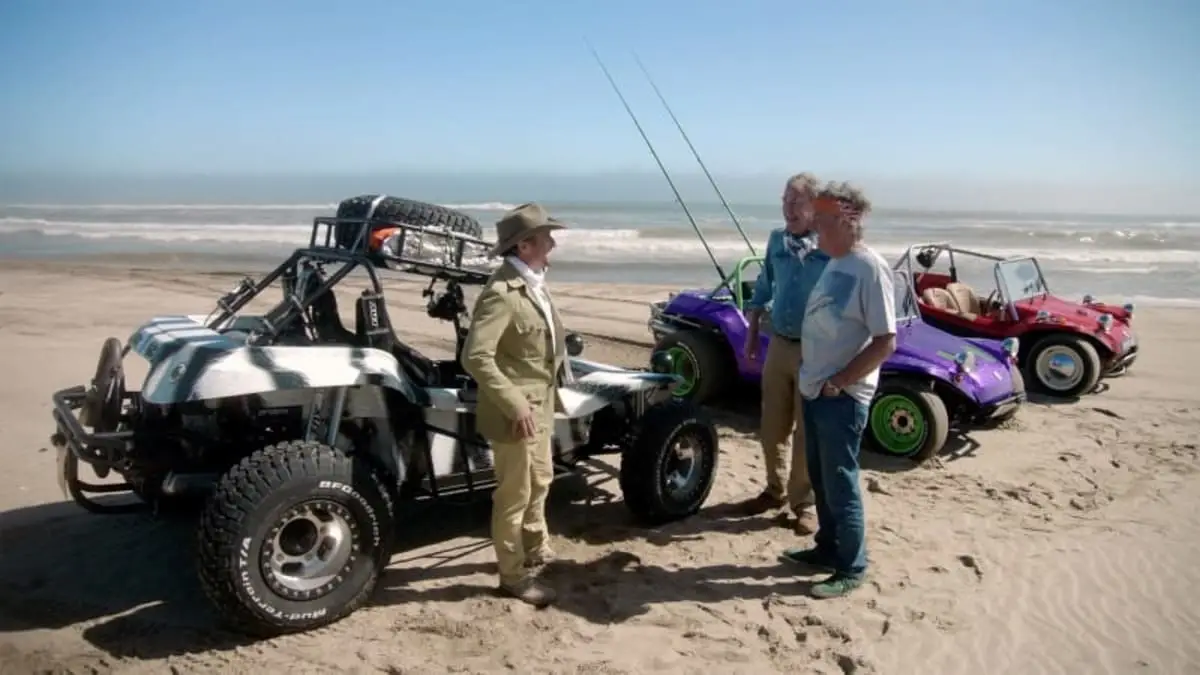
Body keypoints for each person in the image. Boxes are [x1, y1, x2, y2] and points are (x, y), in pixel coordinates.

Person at [781, 182, 897, 599]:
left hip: (841, 397)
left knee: (841, 480)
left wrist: (840, 382)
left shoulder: (870, 268)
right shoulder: (834, 260)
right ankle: (827, 547)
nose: (814, 228)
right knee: (821, 477)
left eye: (822, 220)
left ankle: (851, 565)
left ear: (849, 221)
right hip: (816, 388)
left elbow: (886, 340)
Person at [461, 202, 570, 607]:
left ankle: (536, 547)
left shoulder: (533, 282)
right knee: (514, 494)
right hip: (516, 412)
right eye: (546, 237)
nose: (553, 243)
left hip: (539, 405)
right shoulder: (502, 293)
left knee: (541, 479)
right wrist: (514, 404)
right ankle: (513, 576)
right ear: (524, 246)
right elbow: (475, 356)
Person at [740, 172, 829, 535]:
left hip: (814, 351)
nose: (788, 208)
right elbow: (763, 286)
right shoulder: (776, 240)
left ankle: (803, 504)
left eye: (797, 201)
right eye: (785, 200)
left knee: (806, 432)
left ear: (814, 207)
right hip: (779, 343)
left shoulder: (827, 246)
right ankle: (773, 490)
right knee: (772, 425)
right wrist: (752, 333)